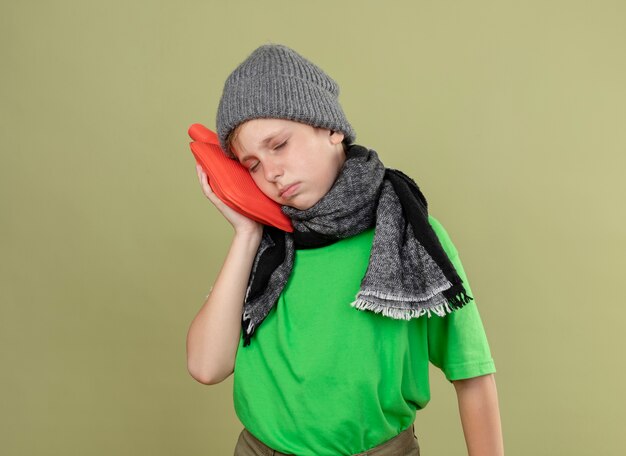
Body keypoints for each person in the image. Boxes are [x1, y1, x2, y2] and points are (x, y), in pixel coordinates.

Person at [186, 43, 504, 456]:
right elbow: (206, 367)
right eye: (252, 165)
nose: (272, 173)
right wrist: (246, 234)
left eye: (279, 145)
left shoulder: (411, 236)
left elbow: (473, 377)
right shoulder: (266, 248)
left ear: (330, 127)